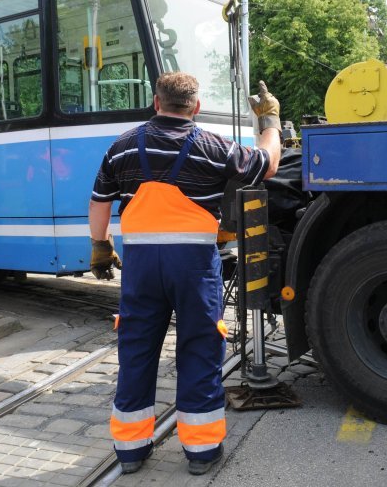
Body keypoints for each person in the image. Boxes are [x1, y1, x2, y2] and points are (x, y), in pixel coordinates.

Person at [88, 72, 282, 476]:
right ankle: (202, 451)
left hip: (140, 267)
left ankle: (131, 449)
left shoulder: (121, 147)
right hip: (193, 266)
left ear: (156, 103)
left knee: (136, 350)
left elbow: (100, 201)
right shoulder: (213, 147)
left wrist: (101, 247)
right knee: (199, 349)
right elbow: (267, 164)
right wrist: (271, 122)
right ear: (194, 107)